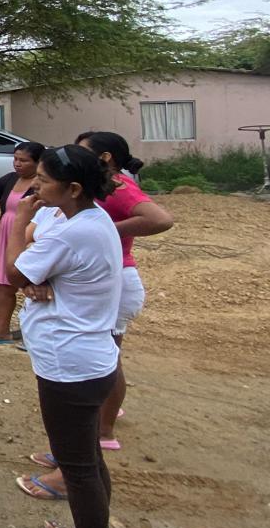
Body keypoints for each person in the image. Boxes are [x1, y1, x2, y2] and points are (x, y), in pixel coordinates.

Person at [27, 131, 174, 496]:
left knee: (101, 362)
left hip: (109, 281)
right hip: (82, 275)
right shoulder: (78, 206)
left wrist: (100, 231)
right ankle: (78, 449)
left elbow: (161, 219)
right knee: (97, 364)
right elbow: (37, 235)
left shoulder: (112, 192)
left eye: (82, 151)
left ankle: (96, 438)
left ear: (103, 159)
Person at [5, 145, 121, 528]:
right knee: (87, 459)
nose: (34, 186)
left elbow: (16, 272)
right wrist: (39, 277)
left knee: (78, 468)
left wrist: (19, 221)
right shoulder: (88, 219)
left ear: (72, 188)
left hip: (69, 364)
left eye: (44, 180)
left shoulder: (74, 233)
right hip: (89, 359)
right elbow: (36, 269)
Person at [0, 141, 45, 347]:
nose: (17, 164)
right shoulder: (11, 179)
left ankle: (37, 337)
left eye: (24, 160)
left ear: (38, 163)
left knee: (35, 284)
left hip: (31, 235)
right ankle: (2, 331)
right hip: (8, 234)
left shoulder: (44, 184)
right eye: (15, 159)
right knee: (3, 284)